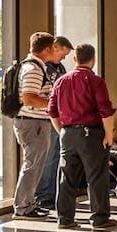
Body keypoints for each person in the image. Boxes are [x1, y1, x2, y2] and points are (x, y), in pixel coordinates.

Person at [46, 42, 117, 230]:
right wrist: (108, 134)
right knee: (96, 176)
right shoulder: (95, 81)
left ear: (75, 58)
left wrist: (62, 130)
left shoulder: (60, 81)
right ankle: (99, 218)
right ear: (93, 60)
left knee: (66, 177)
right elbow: (105, 111)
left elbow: (52, 111)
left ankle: (65, 218)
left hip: (68, 133)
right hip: (91, 134)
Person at [9, 32, 59, 218]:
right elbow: (29, 98)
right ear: (46, 49)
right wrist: (53, 104)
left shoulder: (35, 67)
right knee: (32, 165)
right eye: (53, 47)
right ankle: (22, 207)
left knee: (35, 165)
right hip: (33, 123)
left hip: (34, 122)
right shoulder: (34, 69)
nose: (54, 51)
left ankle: (28, 203)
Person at [35, 36, 73, 213]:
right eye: (62, 54)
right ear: (54, 48)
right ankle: (42, 196)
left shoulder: (59, 68)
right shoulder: (42, 67)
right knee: (48, 158)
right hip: (45, 118)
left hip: (59, 118)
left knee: (57, 157)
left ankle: (51, 194)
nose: (63, 58)